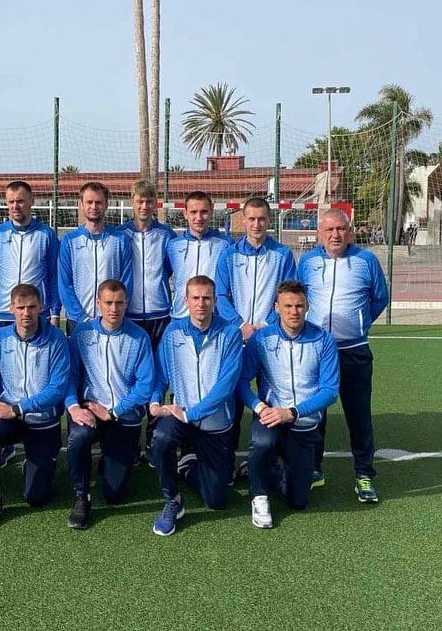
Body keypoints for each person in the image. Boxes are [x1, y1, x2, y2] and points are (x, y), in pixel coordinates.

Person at [297, 209, 389, 503]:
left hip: (354, 350)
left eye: (340, 229)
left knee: (358, 415)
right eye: (329, 230)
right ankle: (314, 469)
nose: (335, 235)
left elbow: (380, 298)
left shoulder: (366, 260)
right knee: (315, 413)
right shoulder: (307, 262)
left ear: (350, 232)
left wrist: (359, 323)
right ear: (319, 233)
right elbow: (298, 297)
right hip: (317, 349)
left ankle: (363, 474)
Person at [238, 280, 339, 528]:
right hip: (270, 416)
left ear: (307, 307)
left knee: (299, 501)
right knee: (262, 442)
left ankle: (267, 468)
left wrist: (293, 412)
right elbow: (241, 382)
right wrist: (260, 407)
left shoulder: (323, 340)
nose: (294, 311)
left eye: (299, 306)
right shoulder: (261, 339)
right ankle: (259, 495)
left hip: (302, 422)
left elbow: (330, 392)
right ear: (276, 308)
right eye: (288, 306)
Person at [148, 276, 242, 536]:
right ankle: (172, 499)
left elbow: (226, 386)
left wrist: (191, 414)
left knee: (217, 500)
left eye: (206, 298)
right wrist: (155, 401)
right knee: (161, 438)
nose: (201, 303)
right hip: (180, 415)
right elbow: (161, 374)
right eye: (196, 298)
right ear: (185, 301)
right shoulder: (172, 332)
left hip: (214, 423)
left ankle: (187, 466)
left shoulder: (230, 333)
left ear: (214, 301)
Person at [0, 284, 70, 530]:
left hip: (43, 421)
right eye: (21, 307)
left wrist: (17, 408)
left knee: (36, 498)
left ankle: (36, 462)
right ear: (11, 309)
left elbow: (57, 388)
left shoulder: (57, 338)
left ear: (41, 307)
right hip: (9, 417)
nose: (26, 313)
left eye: (31, 307)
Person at [215, 196, 297, 476]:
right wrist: (240, 325)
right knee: (232, 401)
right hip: (236, 338)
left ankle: (265, 462)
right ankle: (225, 462)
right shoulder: (229, 255)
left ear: (269, 220)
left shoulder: (282, 254)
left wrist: (267, 324)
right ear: (243, 220)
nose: (256, 224)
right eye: (251, 219)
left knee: (271, 399)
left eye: (261, 219)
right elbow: (221, 295)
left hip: (270, 339)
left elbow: (287, 294)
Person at [66, 279, 154, 529]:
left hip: (123, 416)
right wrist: (74, 406)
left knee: (114, 495)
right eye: (108, 303)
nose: (113, 309)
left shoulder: (139, 337)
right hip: (91, 411)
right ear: (98, 303)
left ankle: (115, 456)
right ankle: (81, 496)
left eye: (119, 303)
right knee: (78, 437)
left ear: (126, 303)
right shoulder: (82, 334)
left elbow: (145, 386)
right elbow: (71, 376)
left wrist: (114, 412)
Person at [0, 180, 60, 331]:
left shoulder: (46, 234)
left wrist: (55, 312)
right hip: (4, 313)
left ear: (31, 201)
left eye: (20, 201)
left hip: (36, 312)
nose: (15, 206)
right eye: (11, 202)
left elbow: (54, 276)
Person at [58, 181, 133, 335]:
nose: (94, 206)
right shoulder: (69, 241)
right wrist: (81, 317)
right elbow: (64, 284)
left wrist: (113, 312)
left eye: (98, 202)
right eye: (89, 202)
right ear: (81, 205)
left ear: (106, 205)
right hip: (78, 321)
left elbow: (126, 282)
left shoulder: (120, 240)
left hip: (111, 320)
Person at [117, 178, 175, 350]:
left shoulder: (166, 235)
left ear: (155, 203)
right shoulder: (120, 234)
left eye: (149, 201)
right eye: (140, 201)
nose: (144, 206)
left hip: (160, 312)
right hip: (129, 312)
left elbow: (170, 268)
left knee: (159, 361)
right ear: (132, 202)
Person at [166, 191, 231, 319]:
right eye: (193, 212)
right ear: (185, 213)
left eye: (204, 212)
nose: (199, 217)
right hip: (180, 316)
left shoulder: (225, 244)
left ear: (211, 211)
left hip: (214, 318)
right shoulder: (173, 245)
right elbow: (165, 274)